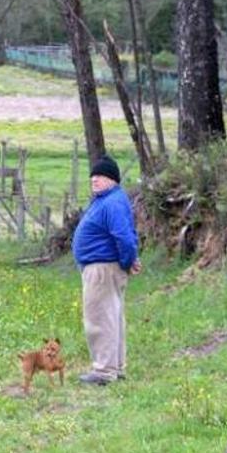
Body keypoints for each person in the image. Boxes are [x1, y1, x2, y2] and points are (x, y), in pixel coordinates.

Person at [72, 155, 140, 386]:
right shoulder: (107, 200)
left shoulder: (112, 202)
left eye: (100, 176)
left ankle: (103, 371)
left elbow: (124, 237)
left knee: (100, 318)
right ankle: (116, 367)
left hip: (102, 268)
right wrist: (128, 261)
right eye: (93, 176)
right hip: (102, 266)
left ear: (112, 179)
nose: (95, 180)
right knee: (112, 315)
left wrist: (127, 260)